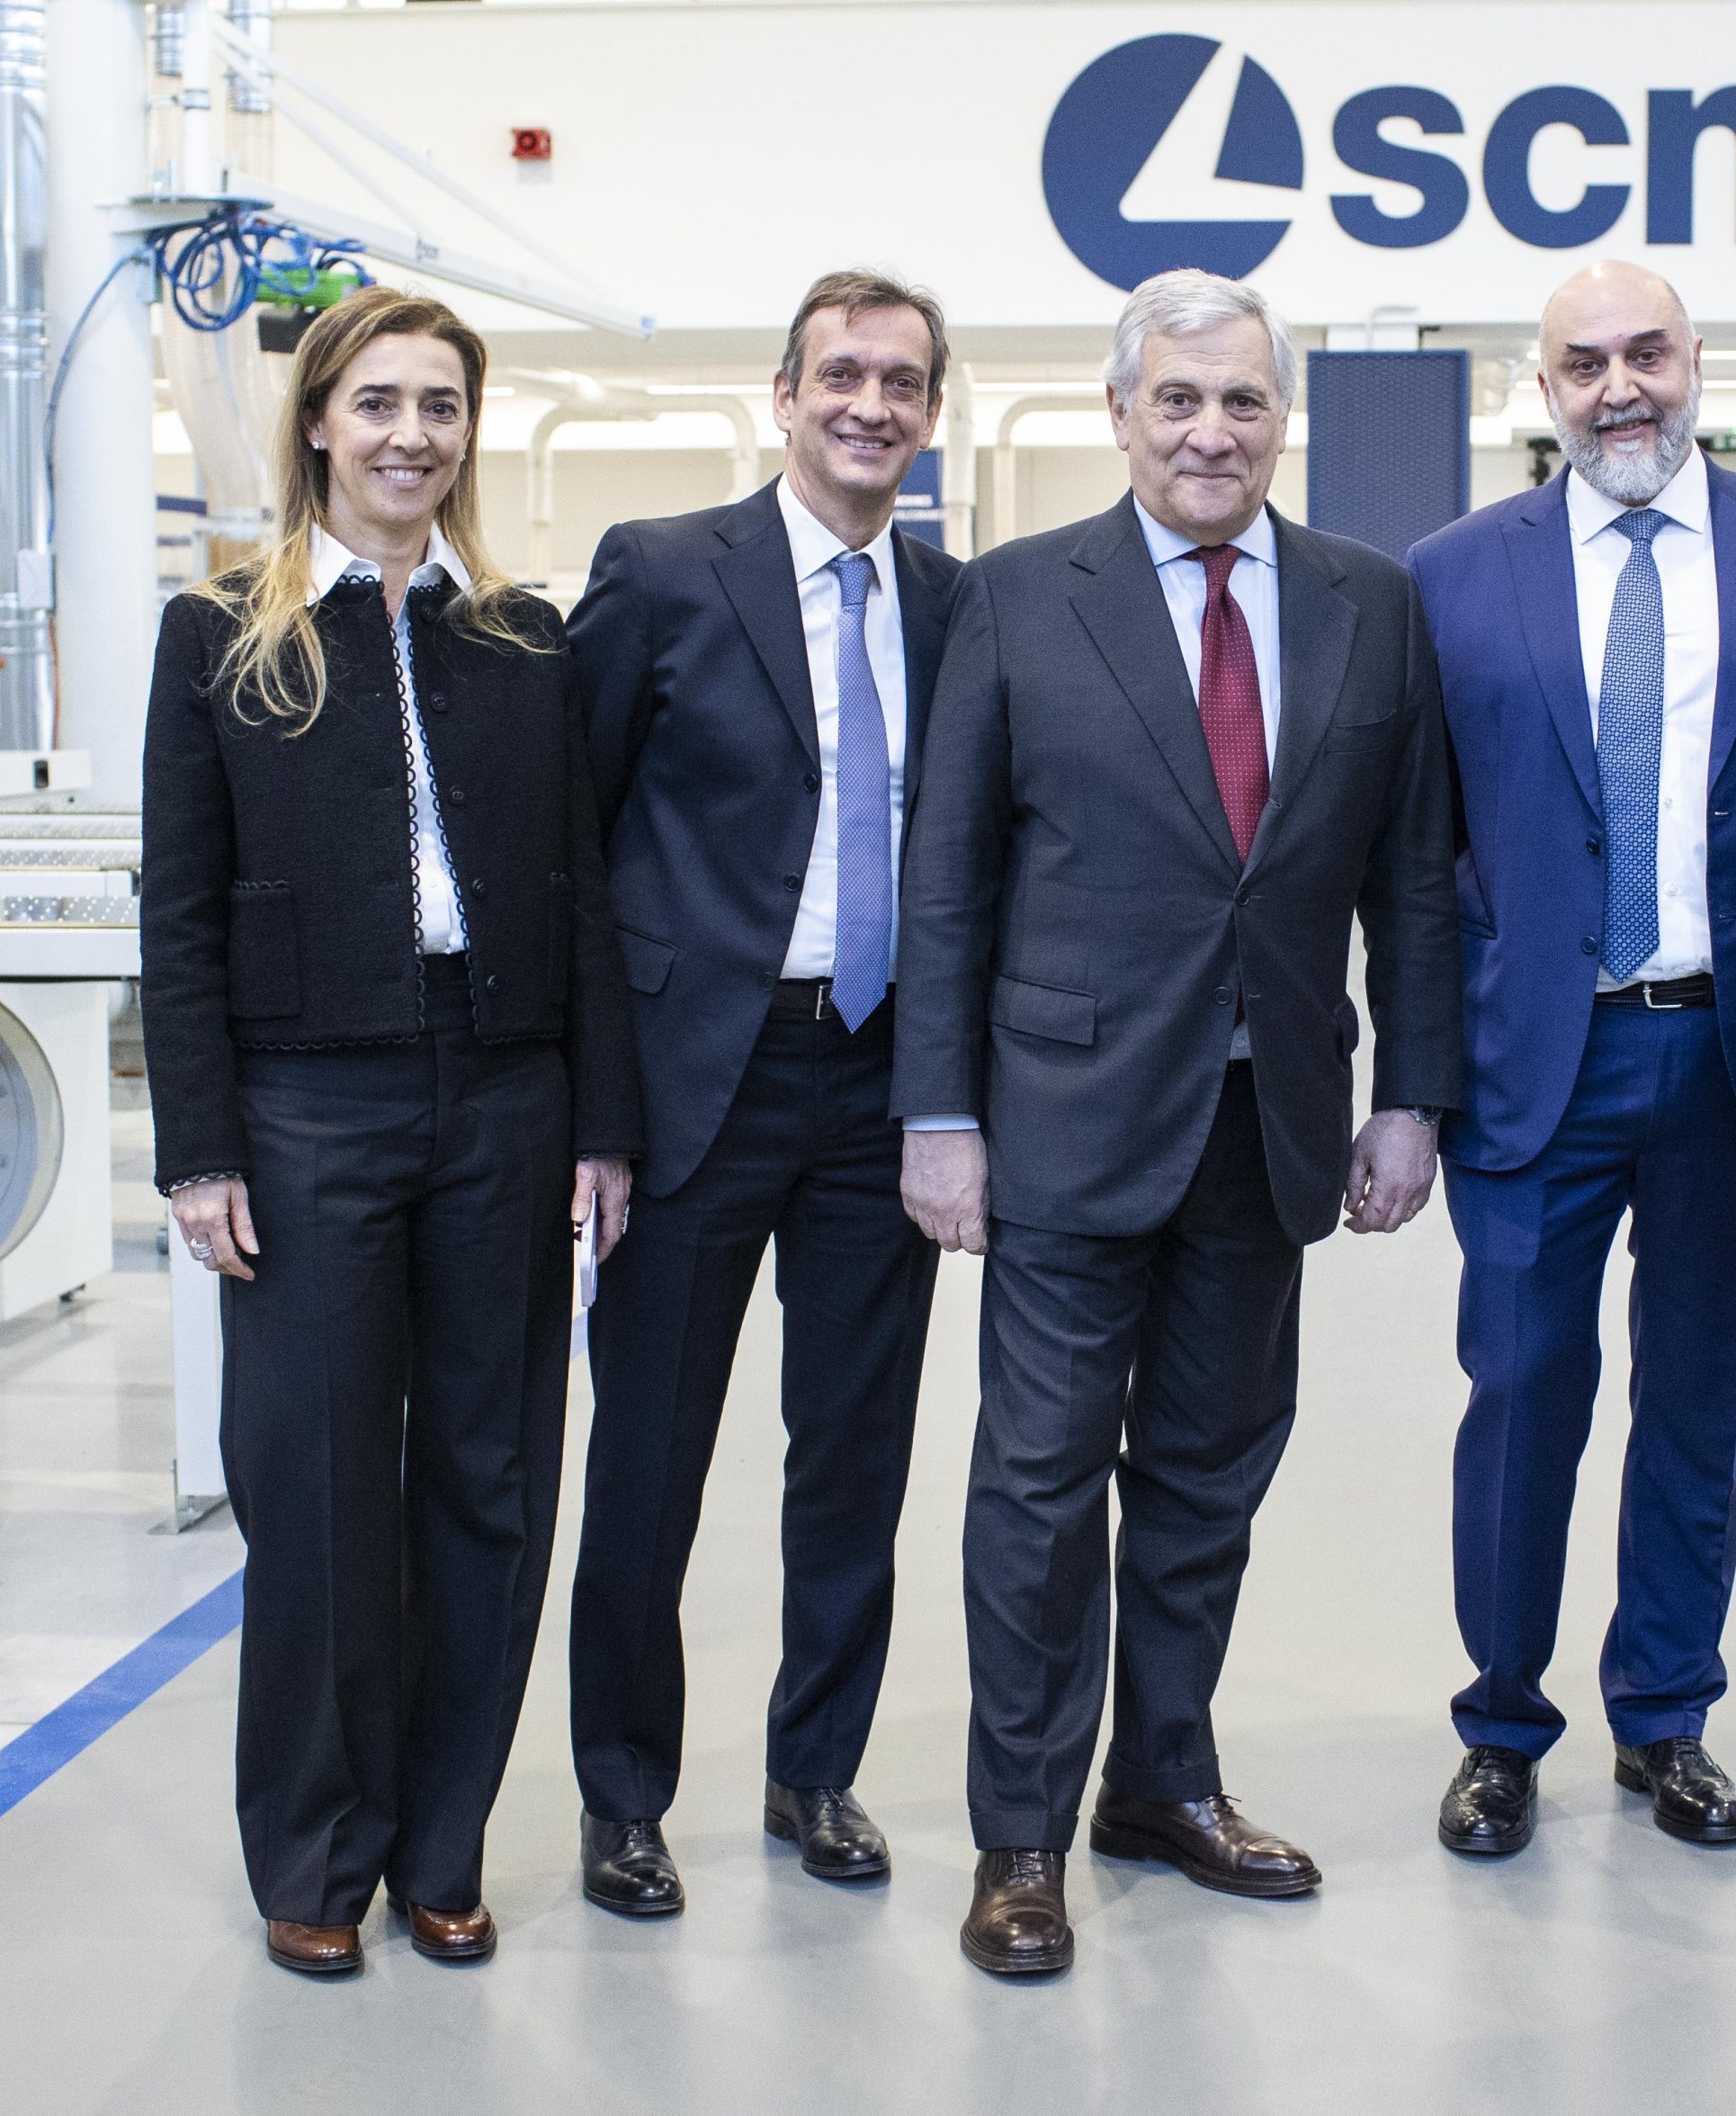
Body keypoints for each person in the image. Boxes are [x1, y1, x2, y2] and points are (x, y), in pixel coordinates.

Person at [895, 267, 1461, 1976]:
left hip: (1267, 1119)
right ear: (1121, 413)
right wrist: (939, 1112)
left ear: (1284, 418)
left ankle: (1162, 1781)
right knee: (1040, 1486)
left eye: (1243, 401)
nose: (1213, 432)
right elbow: (949, 877)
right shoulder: (1018, 595)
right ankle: (1020, 1835)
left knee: (1211, 1476)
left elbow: (1409, 878)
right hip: (1064, 1115)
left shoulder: (1369, 602)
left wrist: (1410, 1094)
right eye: (1179, 400)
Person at [140, 285, 641, 1977]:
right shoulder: (223, 633)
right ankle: (316, 1852)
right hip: (307, 1105)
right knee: (318, 1490)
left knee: (490, 1484)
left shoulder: (523, 638)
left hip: (505, 1097)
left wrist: (602, 1123)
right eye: (377, 403)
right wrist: (200, 1144)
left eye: (440, 405)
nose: (410, 435)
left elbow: (580, 889)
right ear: (318, 424)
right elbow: (179, 908)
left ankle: (442, 1846)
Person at [1406, 262, 1736, 1860]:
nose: (1621, 388)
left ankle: (1665, 1713)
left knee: (1698, 1403)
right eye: (1586, 362)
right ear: (1544, 388)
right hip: (1536, 1065)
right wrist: (1417, 1079)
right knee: (1522, 1393)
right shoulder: (1453, 574)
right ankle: (1500, 1724)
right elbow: (1418, 856)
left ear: (1696, 364)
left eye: (1648, 355)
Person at [562, 271, 961, 1913]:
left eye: (902, 381)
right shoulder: (663, 572)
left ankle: (818, 1771)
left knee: (855, 1456)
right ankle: (622, 1795)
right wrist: (595, 1114)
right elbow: (572, 850)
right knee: (650, 1458)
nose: (871, 404)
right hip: (692, 1087)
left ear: (930, 412)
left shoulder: (954, 602)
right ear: (783, 396)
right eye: (841, 375)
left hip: (881, 1077)